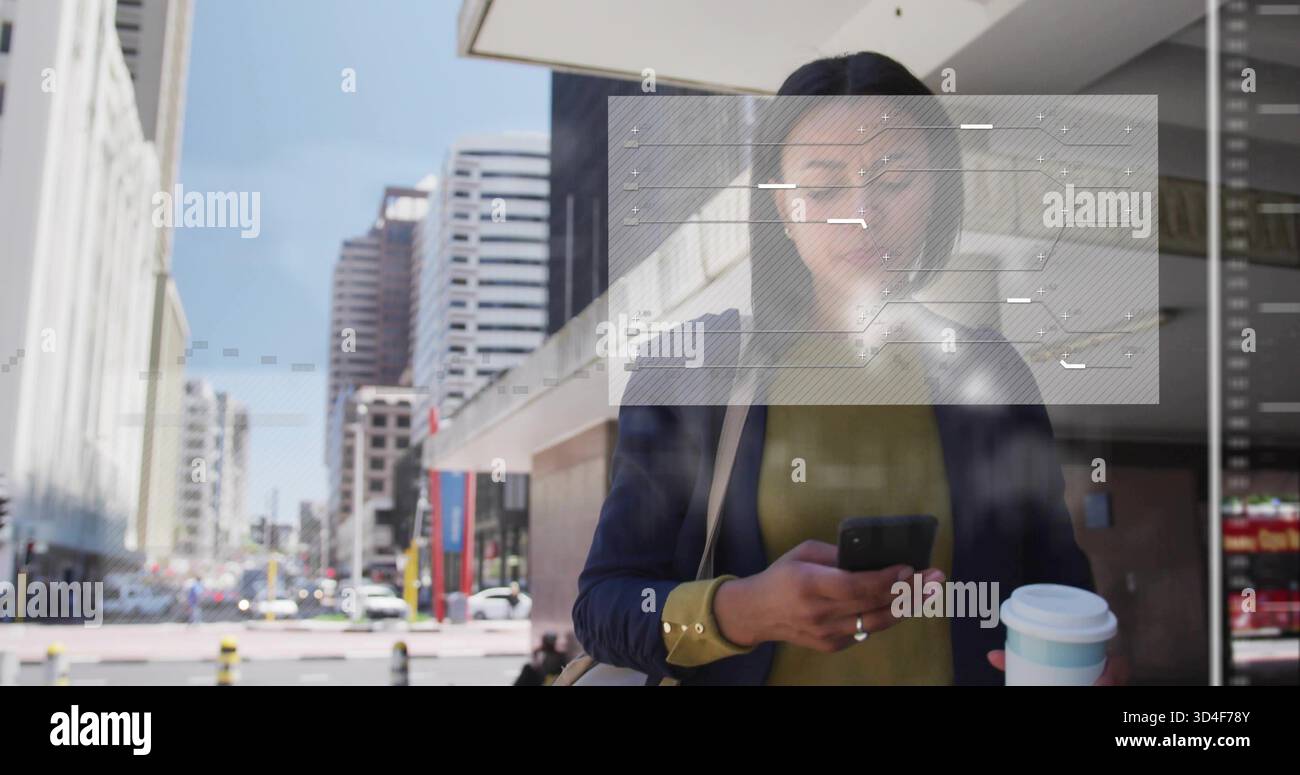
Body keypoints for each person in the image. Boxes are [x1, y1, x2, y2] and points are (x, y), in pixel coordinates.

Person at [573, 51, 1126, 686]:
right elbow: (604, 608)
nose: (863, 213)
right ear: (782, 208)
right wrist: (740, 613)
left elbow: (1057, 583)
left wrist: (1088, 660)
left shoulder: (991, 372)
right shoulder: (694, 369)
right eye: (824, 187)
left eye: (894, 181)